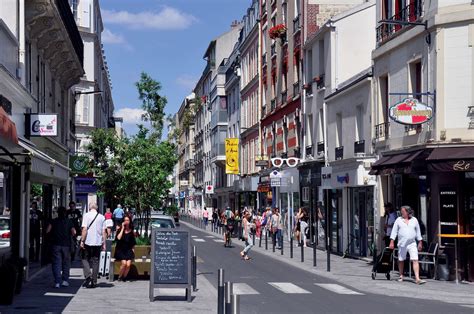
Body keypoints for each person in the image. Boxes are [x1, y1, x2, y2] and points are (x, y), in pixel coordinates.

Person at [389, 205, 425, 285]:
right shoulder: (399, 220)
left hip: (412, 243)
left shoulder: (414, 220)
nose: (402, 213)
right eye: (401, 211)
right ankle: (401, 275)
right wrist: (392, 241)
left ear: (408, 212)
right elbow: (394, 231)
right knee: (401, 259)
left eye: (403, 211)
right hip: (402, 243)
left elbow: (418, 231)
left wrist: (420, 241)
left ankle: (417, 278)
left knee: (415, 259)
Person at [46, 206, 76, 288]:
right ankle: (65, 280)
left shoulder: (54, 221)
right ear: (65, 213)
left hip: (56, 244)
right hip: (66, 245)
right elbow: (74, 232)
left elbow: (47, 230)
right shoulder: (69, 221)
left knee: (56, 263)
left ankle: (57, 282)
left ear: (58, 213)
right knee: (66, 263)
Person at [80, 203, 107, 289]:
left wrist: (82, 241)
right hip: (98, 242)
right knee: (96, 260)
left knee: (84, 258)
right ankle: (94, 281)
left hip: (88, 241)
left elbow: (84, 229)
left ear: (89, 208)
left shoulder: (86, 216)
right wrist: (104, 243)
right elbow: (104, 231)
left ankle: (88, 276)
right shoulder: (102, 217)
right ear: (97, 208)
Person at [114, 215, 136, 282]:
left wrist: (133, 253)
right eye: (125, 220)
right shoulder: (120, 229)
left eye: (128, 220)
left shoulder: (131, 231)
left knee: (128, 264)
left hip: (128, 250)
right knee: (124, 263)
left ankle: (124, 277)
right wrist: (122, 228)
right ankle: (119, 277)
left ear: (130, 221)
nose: (126, 221)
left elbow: (133, 244)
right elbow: (118, 238)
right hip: (120, 250)